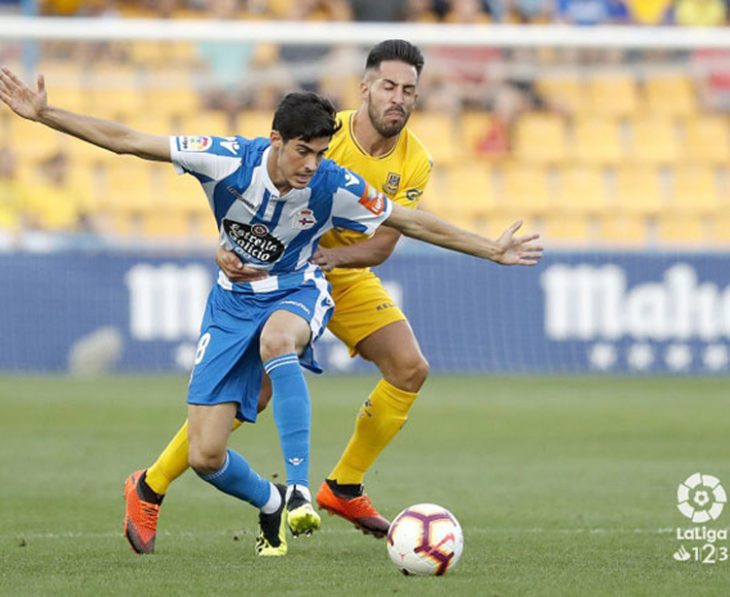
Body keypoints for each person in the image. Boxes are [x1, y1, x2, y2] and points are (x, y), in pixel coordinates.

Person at [126, 40, 446, 551]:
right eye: (389, 86)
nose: (399, 99)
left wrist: (335, 260)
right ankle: (152, 485)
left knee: (410, 368)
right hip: (286, 272)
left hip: (338, 268)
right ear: (365, 88)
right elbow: (252, 189)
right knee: (251, 396)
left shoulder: (416, 160)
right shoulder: (324, 137)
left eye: (409, 90)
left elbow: (384, 241)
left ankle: (342, 486)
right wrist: (225, 245)